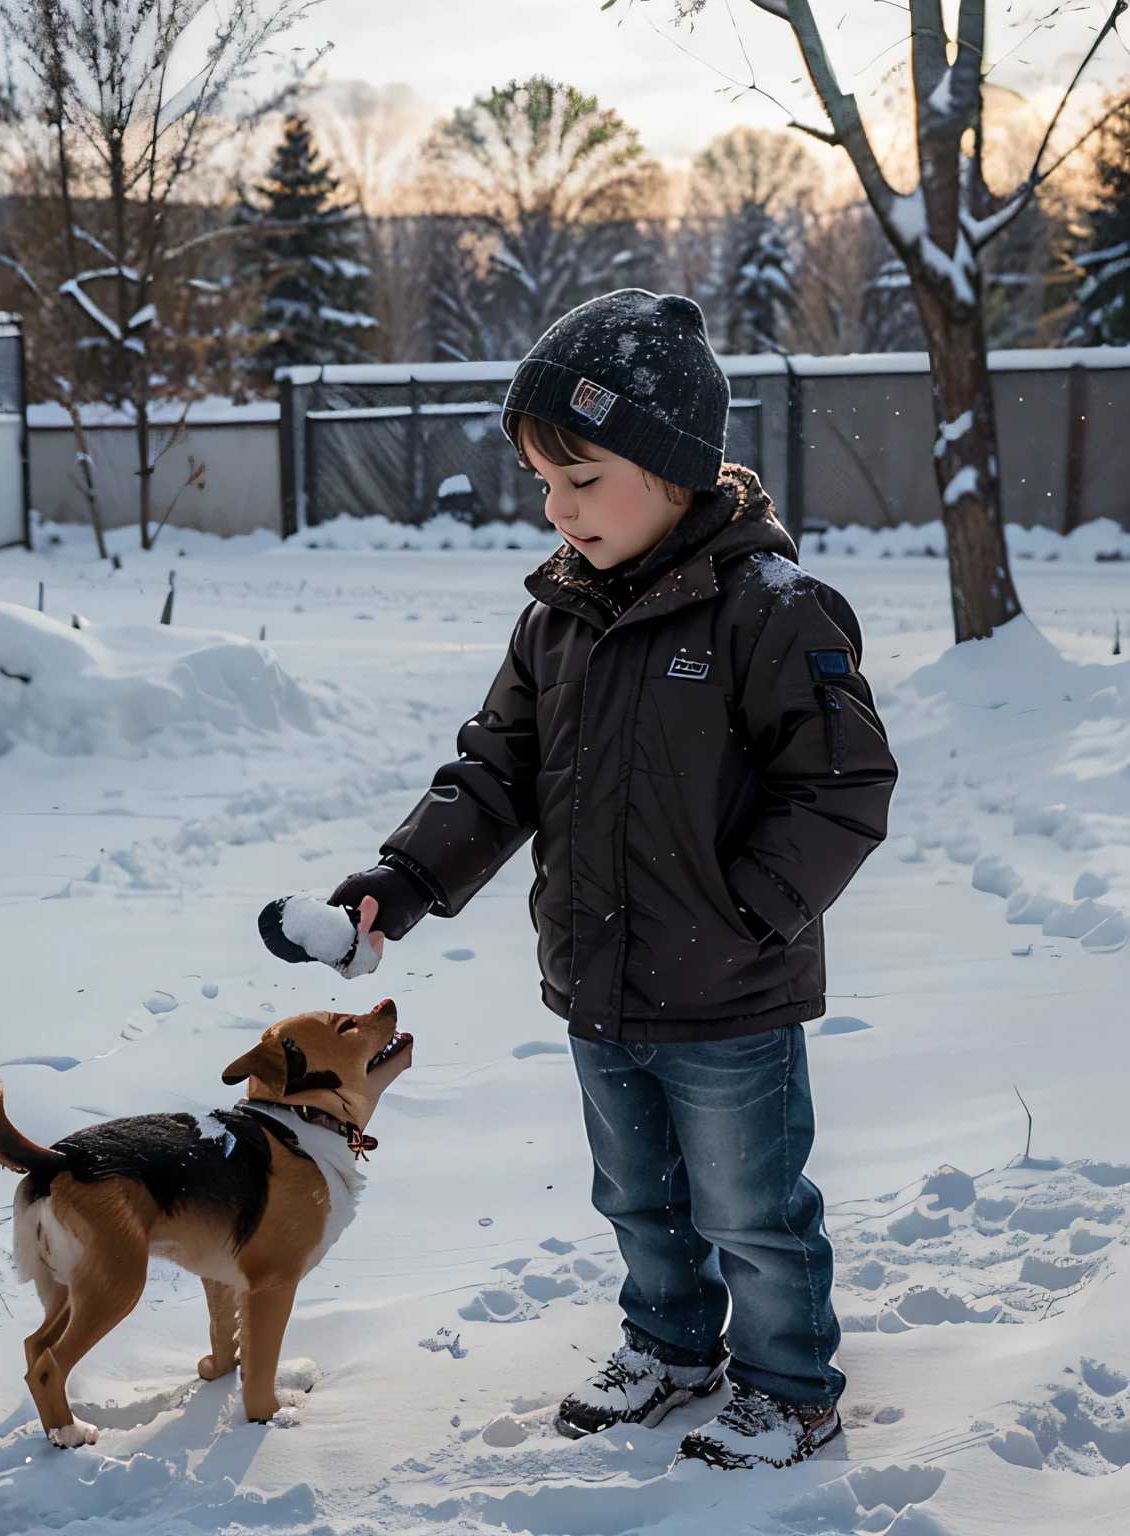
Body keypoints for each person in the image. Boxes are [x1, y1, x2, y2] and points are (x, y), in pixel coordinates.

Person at [323, 290, 898, 1469]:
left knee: (753, 1212)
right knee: (639, 1199)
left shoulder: (771, 612)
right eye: (544, 481)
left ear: (675, 469)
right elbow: (494, 774)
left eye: (583, 479)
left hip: (731, 998)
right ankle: (672, 1349)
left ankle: (791, 1389)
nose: (557, 508)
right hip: (597, 983)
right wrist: (404, 879)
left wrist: (749, 916)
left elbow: (842, 788)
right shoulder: (558, 622)